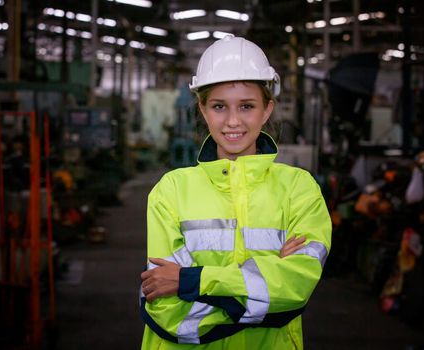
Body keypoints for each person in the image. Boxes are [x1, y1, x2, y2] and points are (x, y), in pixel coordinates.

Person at [139, 35, 332, 349]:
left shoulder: (299, 189)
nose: (232, 121)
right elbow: (167, 311)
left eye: (246, 106)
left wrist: (191, 281)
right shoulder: (170, 191)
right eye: (218, 106)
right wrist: (267, 287)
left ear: (267, 109)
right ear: (202, 109)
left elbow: (297, 289)